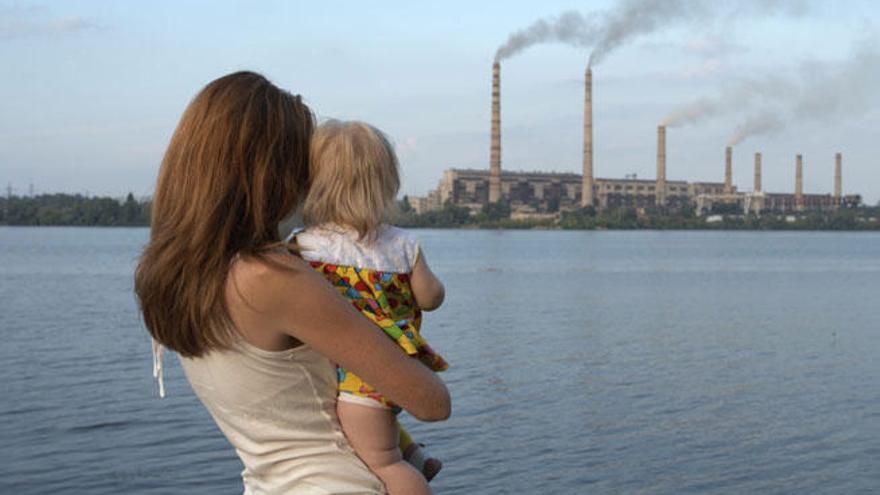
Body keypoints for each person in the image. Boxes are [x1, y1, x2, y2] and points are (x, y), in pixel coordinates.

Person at [134, 72, 450, 495]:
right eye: (306, 163)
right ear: (274, 172)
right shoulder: (272, 278)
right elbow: (431, 402)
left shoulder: (175, 279)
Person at [294, 121, 447, 494]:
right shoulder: (403, 245)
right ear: (387, 182)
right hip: (397, 365)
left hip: (357, 375)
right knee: (382, 435)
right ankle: (416, 457)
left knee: (383, 461)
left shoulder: (304, 247)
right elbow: (431, 298)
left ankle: (410, 477)